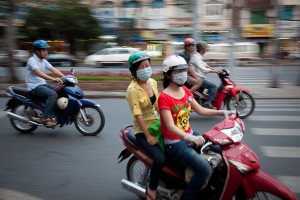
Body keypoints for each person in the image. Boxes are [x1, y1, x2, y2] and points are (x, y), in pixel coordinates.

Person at [158, 55, 234, 200]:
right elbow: (169, 125)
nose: (182, 74)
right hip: (175, 143)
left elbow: (200, 110)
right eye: (177, 71)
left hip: (190, 135)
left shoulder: (186, 91)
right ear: (168, 74)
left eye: (184, 70)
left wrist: (222, 112)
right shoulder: (164, 97)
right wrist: (189, 137)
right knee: (204, 169)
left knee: (222, 150)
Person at [126, 51, 166, 200]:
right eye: (141, 67)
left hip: (158, 124)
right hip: (143, 132)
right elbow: (138, 115)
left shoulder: (153, 82)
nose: (145, 69)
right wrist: (148, 136)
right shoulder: (132, 90)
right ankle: (152, 190)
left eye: (147, 65)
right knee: (160, 159)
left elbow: (159, 104)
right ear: (134, 71)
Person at [25, 39, 64, 127]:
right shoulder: (32, 60)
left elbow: (53, 69)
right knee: (53, 94)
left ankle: (54, 114)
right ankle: (46, 118)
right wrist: (52, 79)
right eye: (43, 50)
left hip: (42, 84)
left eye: (46, 50)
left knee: (61, 91)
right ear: (37, 51)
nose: (46, 52)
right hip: (34, 86)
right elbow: (38, 73)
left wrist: (64, 77)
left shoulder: (44, 61)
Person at [190, 41, 223, 109]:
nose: (207, 49)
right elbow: (203, 69)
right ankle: (207, 103)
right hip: (197, 78)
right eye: (206, 48)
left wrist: (214, 69)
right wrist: (215, 71)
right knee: (213, 87)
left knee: (209, 86)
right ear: (202, 49)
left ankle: (204, 99)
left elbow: (205, 64)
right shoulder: (196, 57)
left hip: (200, 77)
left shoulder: (198, 56)